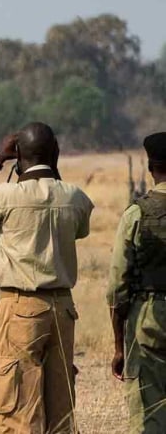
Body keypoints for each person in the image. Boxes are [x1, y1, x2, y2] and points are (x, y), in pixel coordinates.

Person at [0, 122, 94, 433]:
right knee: (60, 406)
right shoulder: (75, 198)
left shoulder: (7, 196)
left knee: (18, 407)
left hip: (20, 308)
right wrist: (53, 166)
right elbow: (80, 229)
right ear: (55, 153)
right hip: (63, 310)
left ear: (18, 153)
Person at [108, 132, 166, 433]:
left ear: (150, 167)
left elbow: (118, 286)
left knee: (149, 412)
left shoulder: (136, 214)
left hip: (148, 319)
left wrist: (119, 346)